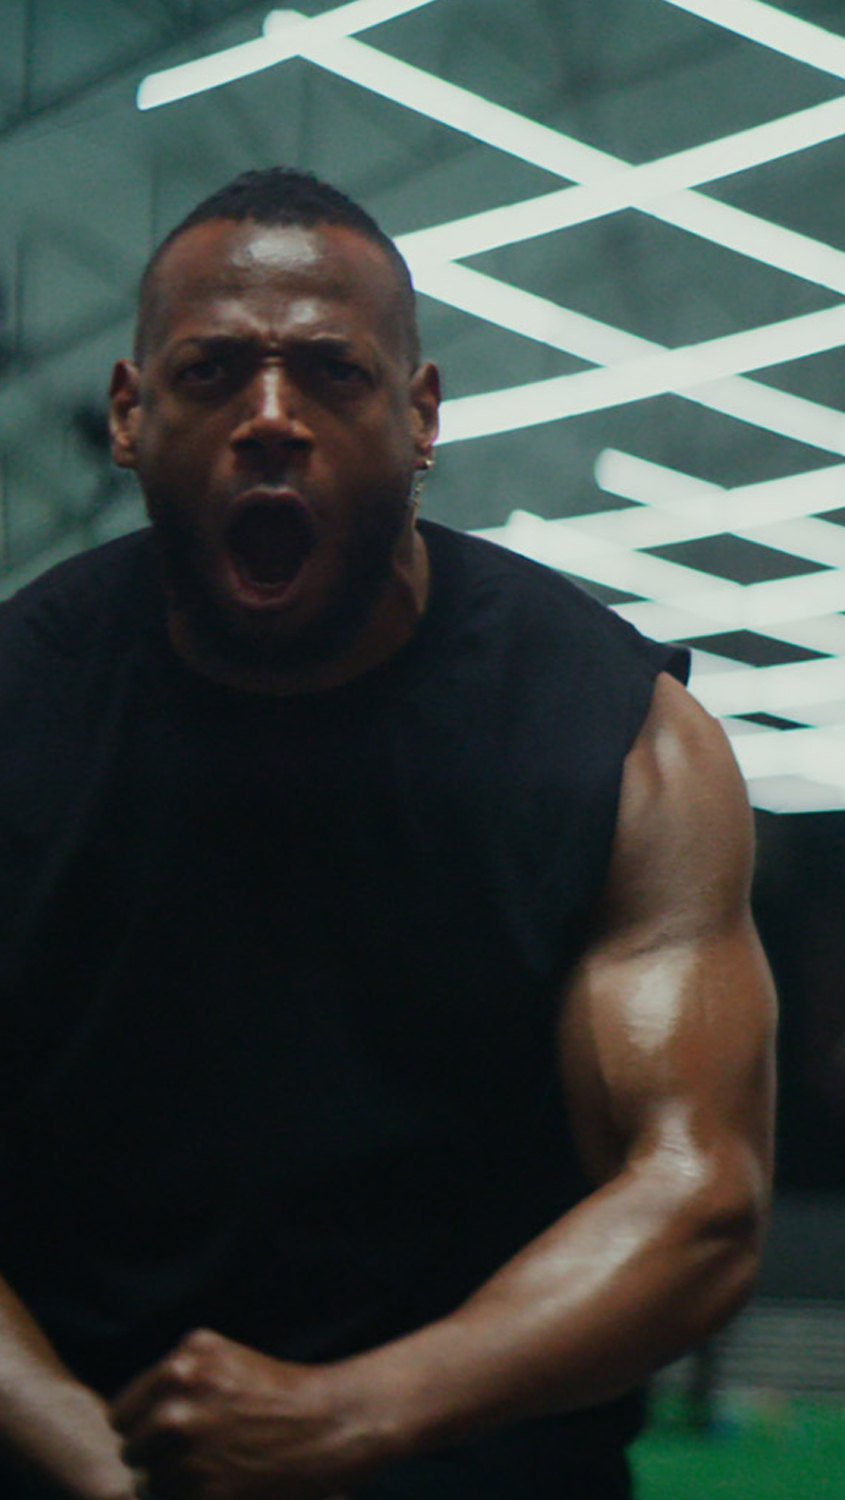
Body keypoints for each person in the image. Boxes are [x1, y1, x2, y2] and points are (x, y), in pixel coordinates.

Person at [0, 169, 776, 1499]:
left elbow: (699, 1197)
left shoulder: (615, 741)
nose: (269, 420)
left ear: (420, 418)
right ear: (130, 415)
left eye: (331, 377)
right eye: (212, 375)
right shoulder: (18, 712)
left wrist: (347, 1418)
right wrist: (91, 1458)